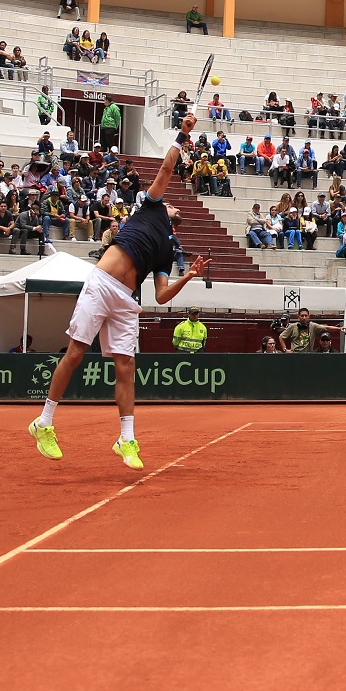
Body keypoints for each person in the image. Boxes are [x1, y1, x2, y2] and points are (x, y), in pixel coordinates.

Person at [30, 114, 214, 468]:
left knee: (126, 366)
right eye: (172, 201)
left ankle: (126, 439)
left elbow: (161, 295)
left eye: (175, 205)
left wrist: (188, 276)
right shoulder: (151, 204)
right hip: (101, 284)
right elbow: (165, 169)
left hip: (125, 301)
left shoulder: (168, 249)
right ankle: (44, 422)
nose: (173, 202)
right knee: (75, 353)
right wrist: (182, 135)